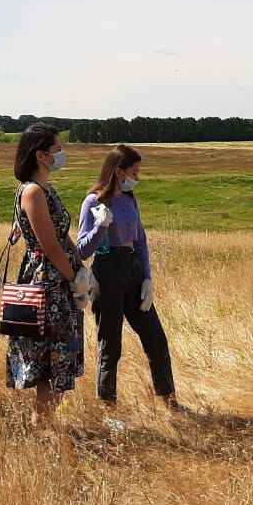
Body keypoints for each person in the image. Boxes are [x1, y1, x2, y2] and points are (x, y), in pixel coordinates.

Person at [76, 144, 181, 412]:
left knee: (156, 339)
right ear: (119, 171)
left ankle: (169, 401)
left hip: (132, 269)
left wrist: (147, 278)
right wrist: (100, 226)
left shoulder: (130, 198)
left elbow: (141, 239)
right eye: (134, 171)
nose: (138, 177)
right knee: (110, 344)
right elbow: (82, 250)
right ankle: (107, 407)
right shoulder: (93, 201)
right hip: (107, 271)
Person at [5, 125, 90, 426]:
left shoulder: (47, 190)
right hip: (48, 285)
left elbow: (63, 236)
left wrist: (81, 268)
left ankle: (45, 424)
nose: (61, 154)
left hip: (60, 281)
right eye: (57, 150)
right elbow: (49, 246)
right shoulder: (32, 192)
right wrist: (72, 279)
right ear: (40, 155)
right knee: (51, 357)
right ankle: (40, 424)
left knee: (58, 357)